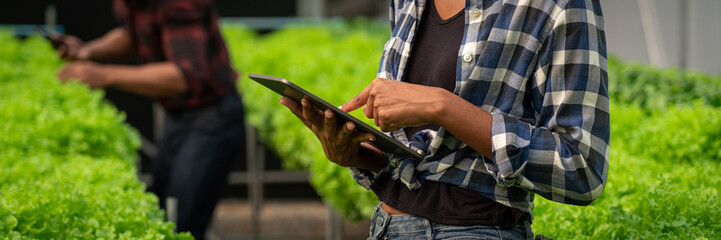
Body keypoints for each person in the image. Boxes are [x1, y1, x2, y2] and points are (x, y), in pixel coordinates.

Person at [280, 0, 609, 239]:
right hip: (385, 226)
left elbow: (582, 169)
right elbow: (422, 162)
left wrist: (443, 106)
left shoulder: (558, 6)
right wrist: (352, 153)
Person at [54, 0, 245, 238]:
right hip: (178, 115)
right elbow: (137, 32)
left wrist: (104, 74)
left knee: (181, 224)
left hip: (212, 116)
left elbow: (186, 74)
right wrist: (88, 50)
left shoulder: (179, 4)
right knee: (163, 211)